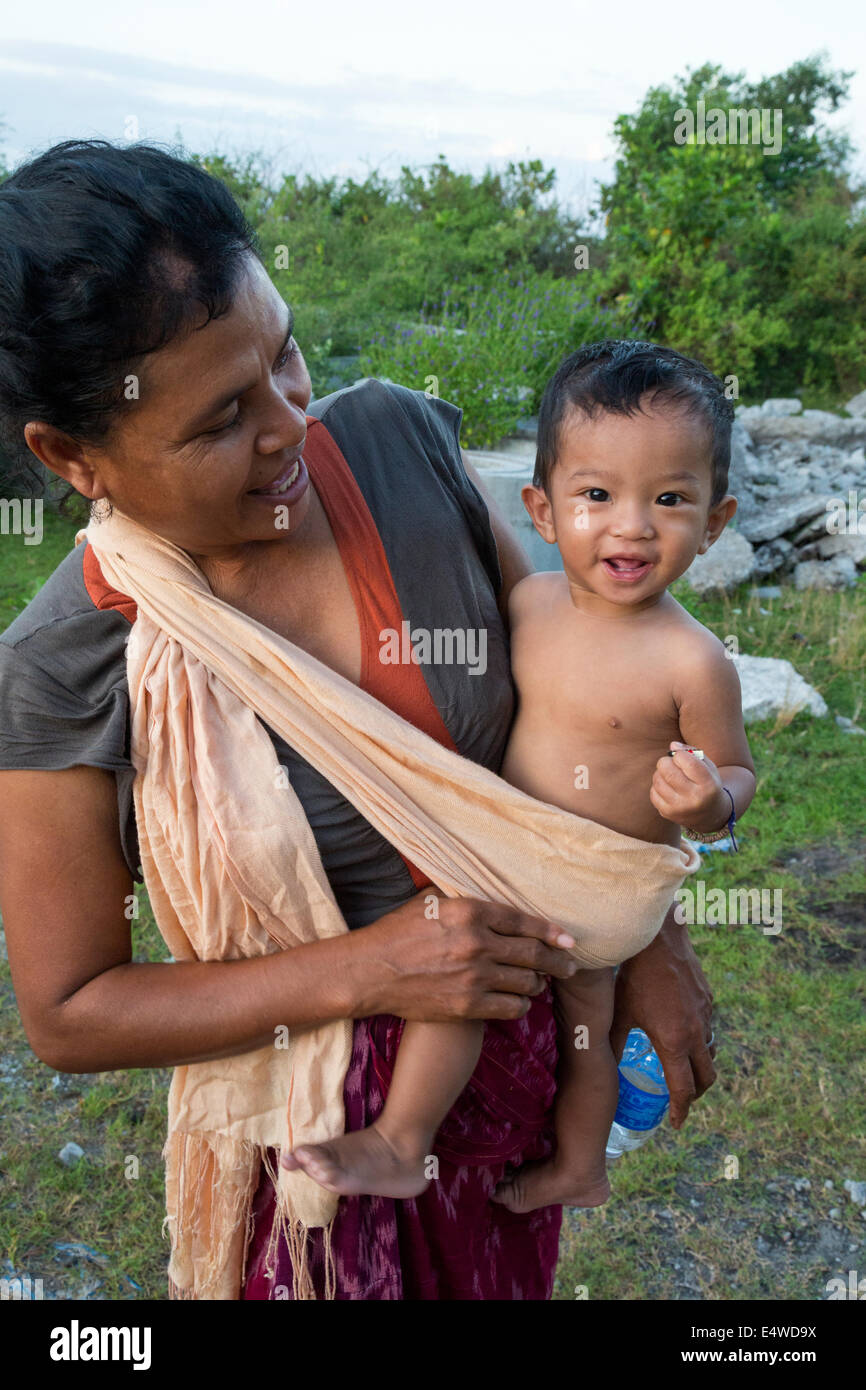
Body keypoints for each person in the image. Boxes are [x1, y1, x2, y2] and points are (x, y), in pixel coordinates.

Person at [0, 140, 717, 1301]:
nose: (287, 423)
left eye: (282, 356)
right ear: (73, 455)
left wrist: (649, 935)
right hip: (322, 1160)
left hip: (508, 1091)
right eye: (218, 419)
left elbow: (581, 703)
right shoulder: (66, 666)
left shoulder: (399, 447)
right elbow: (71, 1012)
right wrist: (374, 969)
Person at [282, 341, 755, 1212]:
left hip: (595, 880)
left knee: (461, 948)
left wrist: (713, 797)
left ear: (715, 523)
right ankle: (581, 1165)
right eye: (598, 495)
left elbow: (735, 770)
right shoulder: (530, 604)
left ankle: (400, 1138)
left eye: (671, 500)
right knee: (585, 1033)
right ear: (542, 508)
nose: (633, 526)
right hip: (539, 853)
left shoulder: (693, 661)